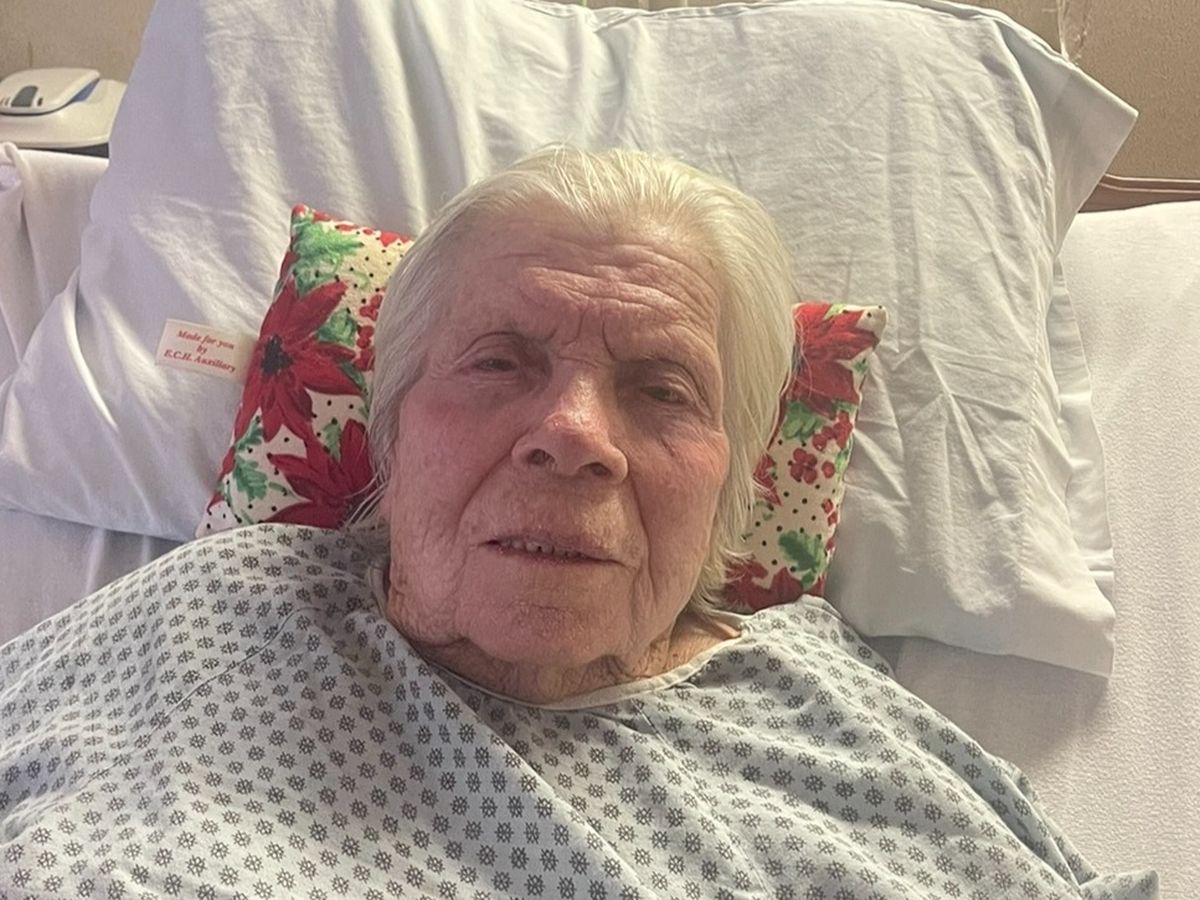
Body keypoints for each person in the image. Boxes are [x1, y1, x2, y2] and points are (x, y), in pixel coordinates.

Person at [0, 146, 1156, 900]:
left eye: (662, 390)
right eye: (500, 361)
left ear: (730, 482)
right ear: (392, 427)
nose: (573, 432)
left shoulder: (842, 742)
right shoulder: (208, 613)